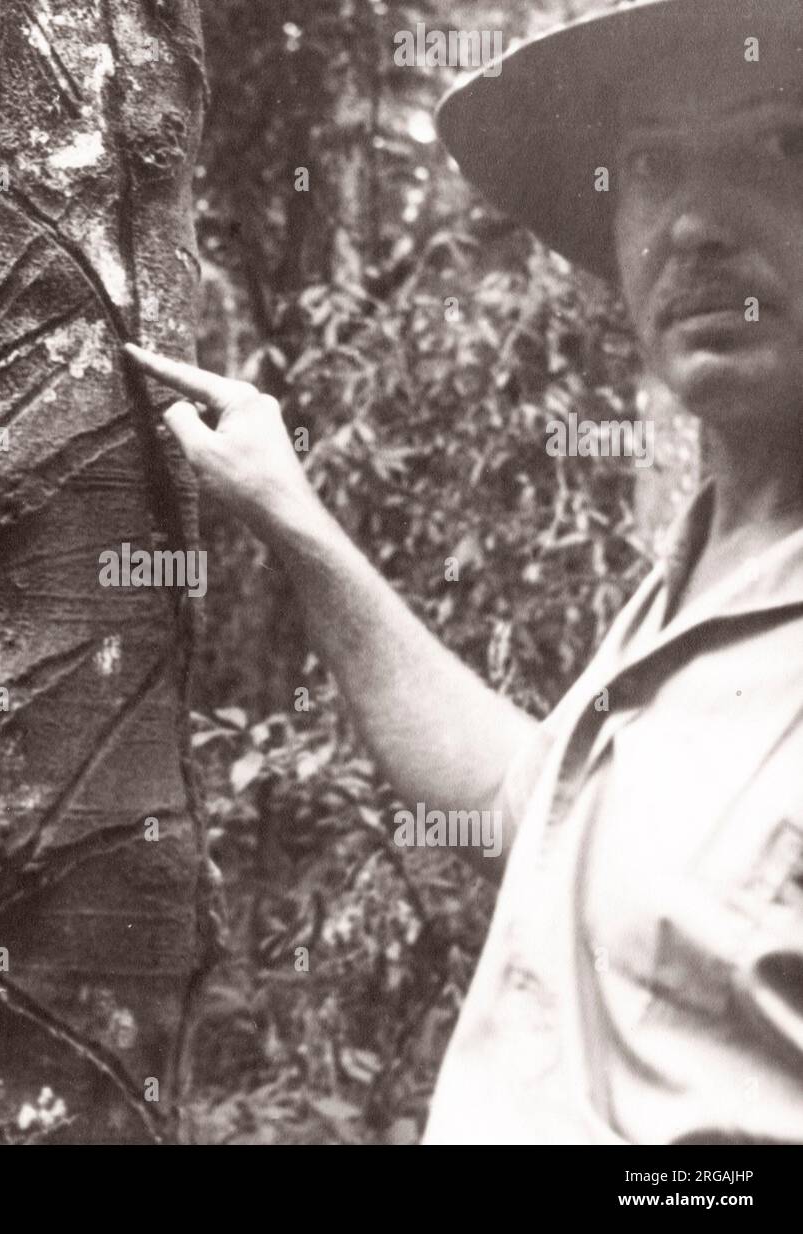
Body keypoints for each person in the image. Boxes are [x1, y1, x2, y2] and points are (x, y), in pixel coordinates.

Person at [124, 0, 803, 1144]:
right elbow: (516, 798)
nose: (691, 226)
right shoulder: (695, 577)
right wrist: (293, 517)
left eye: (779, 144)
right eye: (647, 164)